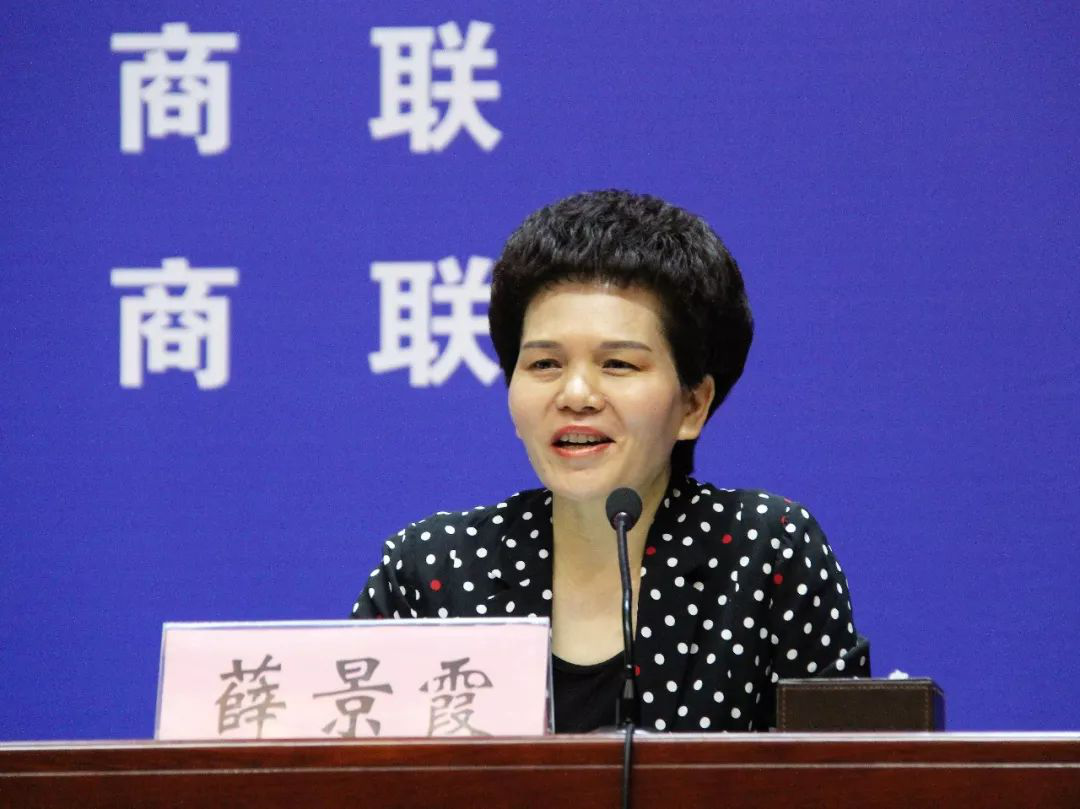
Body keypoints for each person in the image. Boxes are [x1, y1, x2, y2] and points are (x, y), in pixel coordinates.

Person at [351, 190, 869, 732]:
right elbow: (347, 760)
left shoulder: (764, 554)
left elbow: (844, 767)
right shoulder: (432, 572)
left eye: (618, 364)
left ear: (693, 405)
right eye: (545, 364)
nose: (575, 394)